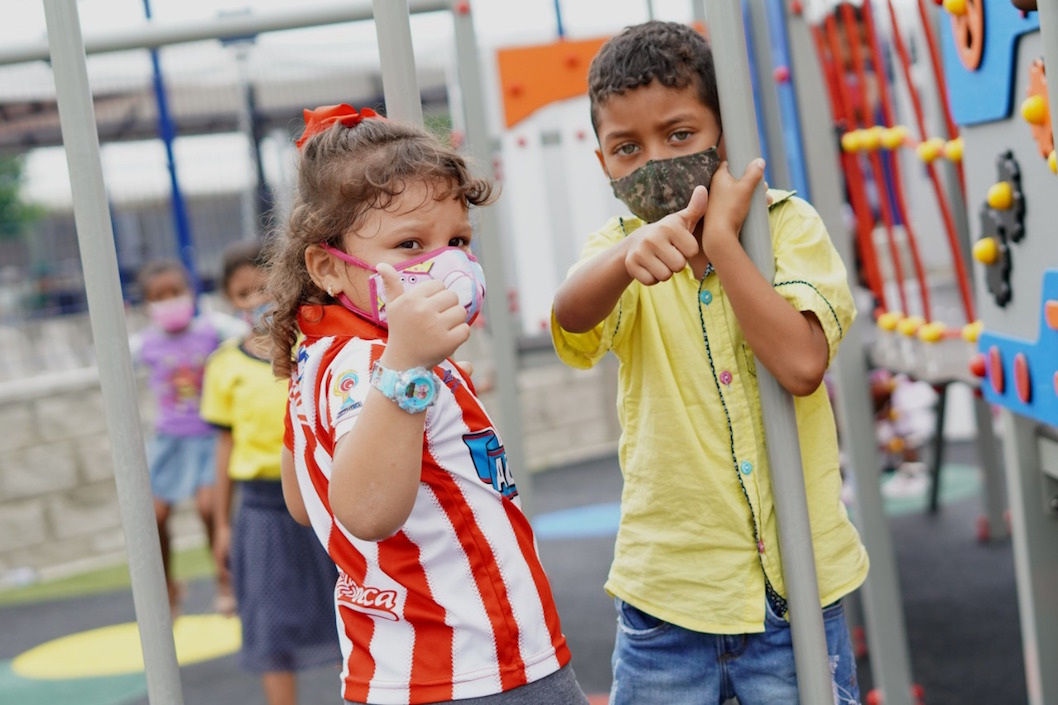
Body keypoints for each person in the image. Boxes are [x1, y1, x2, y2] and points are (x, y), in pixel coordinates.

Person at [550, 21, 868, 705]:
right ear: (603, 160)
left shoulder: (788, 228)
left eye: (680, 135)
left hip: (796, 592)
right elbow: (572, 316)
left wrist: (722, 239)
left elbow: (802, 363)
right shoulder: (619, 251)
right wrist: (622, 264)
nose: (655, 162)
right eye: (626, 148)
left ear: (724, 131)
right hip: (669, 601)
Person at [264, 104, 587, 705]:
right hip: (473, 671)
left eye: (458, 240)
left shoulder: (326, 358)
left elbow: (305, 503)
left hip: (415, 671)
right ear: (330, 267)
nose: (447, 263)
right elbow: (361, 511)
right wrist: (408, 368)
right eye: (410, 243)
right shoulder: (378, 364)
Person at [200, 240, 341, 705]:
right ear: (229, 299)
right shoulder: (223, 366)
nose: (257, 300)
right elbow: (225, 449)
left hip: (328, 493)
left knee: (357, 605)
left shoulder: (317, 346)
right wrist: (222, 524)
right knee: (271, 626)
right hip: (261, 506)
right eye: (244, 294)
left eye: (265, 288)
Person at [132, 259, 224, 615]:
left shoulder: (212, 331)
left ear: (190, 293)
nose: (169, 301)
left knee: (207, 507)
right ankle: (168, 586)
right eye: (159, 296)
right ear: (147, 304)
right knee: (154, 514)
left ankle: (224, 579)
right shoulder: (145, 344)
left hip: (207, 437)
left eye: (175, 292)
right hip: (170, 440)